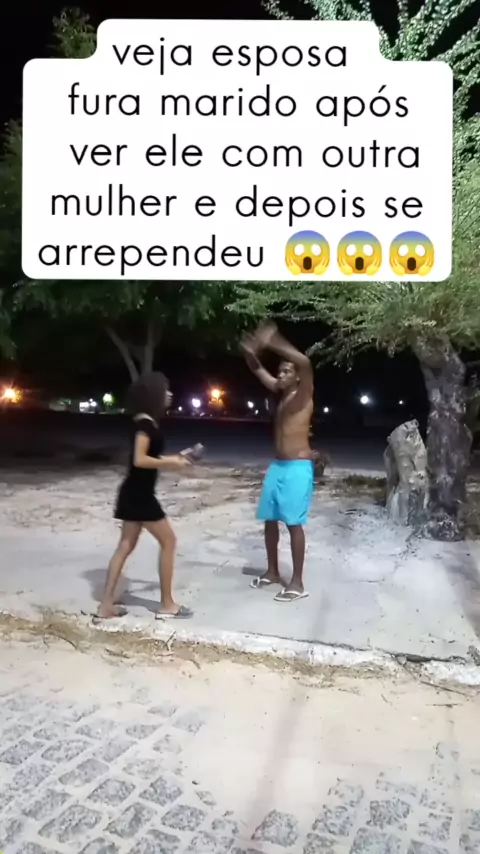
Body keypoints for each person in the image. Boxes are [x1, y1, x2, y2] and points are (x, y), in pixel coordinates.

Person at [96, 372, 193, 621]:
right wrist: (171, 462)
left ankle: (106, 605)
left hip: (134, 492)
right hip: (140, 495)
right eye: (165, 390)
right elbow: (140, 459)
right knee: (169, 541)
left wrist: (175, 458)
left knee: (125, 546)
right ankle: (167, 604)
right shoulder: (145, 425)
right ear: (153, 394)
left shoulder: (143, 421)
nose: (170, 394)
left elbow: (148, 456)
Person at [241, 322, 314, 602]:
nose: (281, 375)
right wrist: (250, 352)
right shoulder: (281, 394)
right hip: (278, 466)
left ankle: (297, 582)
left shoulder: (304, 394)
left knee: (293, 524)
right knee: (270, 521)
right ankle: (272, 571)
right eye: (280, 371)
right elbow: (258, 370)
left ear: (297, 377)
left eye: (287, 371)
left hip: (298, 467)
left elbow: (304, 362)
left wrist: (274, 341)